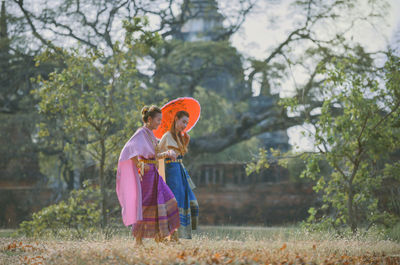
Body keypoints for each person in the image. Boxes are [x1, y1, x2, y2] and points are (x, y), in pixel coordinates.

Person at [116, 105, 180, 245]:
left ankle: (163, 235)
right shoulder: (141, 133)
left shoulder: (151, 135)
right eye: (158, 120)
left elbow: (155, 155)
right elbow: (128, 151)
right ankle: (138, 241)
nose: (160, 123)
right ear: (149, 119)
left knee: (168, 200)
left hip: (154, 174)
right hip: (145, 175)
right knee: (144, 206)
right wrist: (139, 164)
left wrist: (168, 153)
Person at [159, 110, 199, 239]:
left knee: (187, 201)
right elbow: (156, 154)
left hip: (180, 171)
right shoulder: (166, 136)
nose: (185, 125)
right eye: (183, 121)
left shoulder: (181, 137)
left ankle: (179, 234)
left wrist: (186, 142)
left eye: (186, 123)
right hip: (171, 171)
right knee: (174, 202)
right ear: (176, 119)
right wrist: (166, 153)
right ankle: (171, 236)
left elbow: (181, 154)